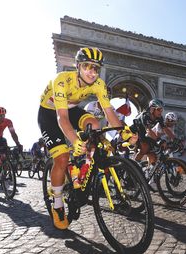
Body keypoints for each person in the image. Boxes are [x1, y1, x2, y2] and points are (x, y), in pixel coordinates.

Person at [37, 47, 136, 230]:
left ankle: (84, 166)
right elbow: (62, 118)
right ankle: (57, 203)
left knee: (96, 126)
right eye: (87, 66)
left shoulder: (98, 84)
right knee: (62, 157)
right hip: (50, 115)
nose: (92, 72)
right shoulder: (61, 80)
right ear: (78, 66)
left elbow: (110, 113)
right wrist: (75, 141)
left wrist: (124, 132)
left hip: (72, 110)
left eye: (96, 68)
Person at [130, 99, 172, 163]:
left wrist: (174, 138)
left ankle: (151, 171)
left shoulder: (159, 117)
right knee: (145, 148)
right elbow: (148, 131)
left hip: (143, 134)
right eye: (158, 109)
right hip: (134, 133)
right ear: (152, 109)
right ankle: (133, 166)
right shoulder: (145, 116)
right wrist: (158, 139)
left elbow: (165, 129)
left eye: (161, 109)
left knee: (153, 154)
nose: (160, 112)